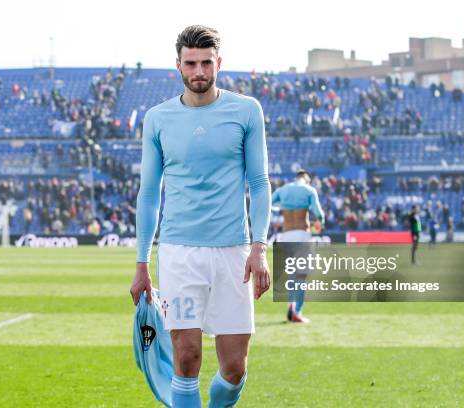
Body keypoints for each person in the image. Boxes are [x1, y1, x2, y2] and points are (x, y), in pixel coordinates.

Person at [130, 25, 271, 408]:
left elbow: (259, 183)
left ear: (218, 64)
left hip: (233, 253)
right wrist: (142, 262)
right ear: (177, 65)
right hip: (180, 253)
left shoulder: (246, 110)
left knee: (235, 368)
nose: (199, 72)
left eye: (206, 63)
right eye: (190, 63)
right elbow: (148, 194)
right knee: (187, 357)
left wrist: (259, 248)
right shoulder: (157, 118)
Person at [271, 170, 324, 323]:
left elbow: (269, 202)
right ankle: (297, 311)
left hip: (286, 235)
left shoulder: (283, 190)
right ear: (306, 179)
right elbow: (318, 212)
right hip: (301, 234)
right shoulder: (309, 190)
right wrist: (321, 222)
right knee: (302, 275)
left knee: (292, 274)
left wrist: (281, 207)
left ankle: (291, 305)